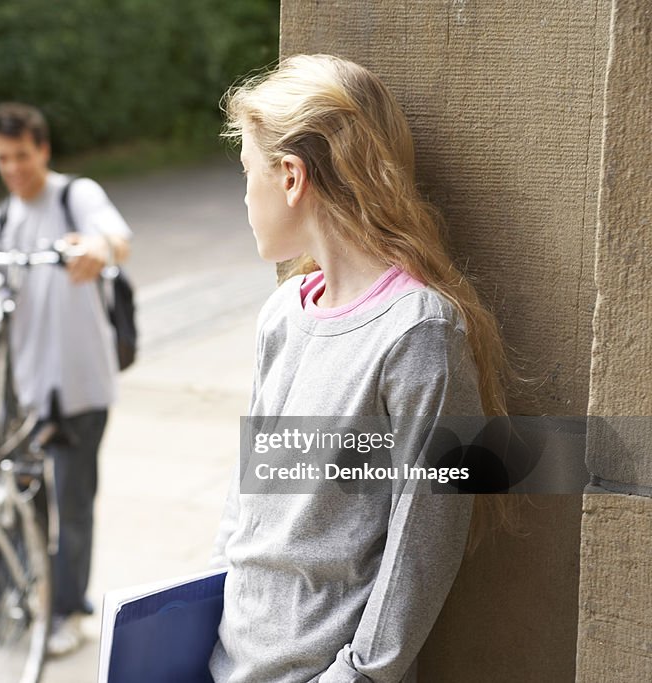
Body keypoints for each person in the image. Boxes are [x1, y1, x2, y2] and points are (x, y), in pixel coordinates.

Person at [209, 54, 511, 682]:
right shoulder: (282, 315)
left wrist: (358, 677)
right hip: (228, 666)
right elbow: (250, 503)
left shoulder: (418, 331)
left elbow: (424, 541)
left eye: (247, 174)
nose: (244, 197)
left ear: (290, 176)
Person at [0, 102, 132, 656]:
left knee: (72, 506)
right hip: (24, 394)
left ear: (42, 148)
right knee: (17, 505)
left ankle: (67, 611)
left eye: (21, 155)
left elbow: (115, 235)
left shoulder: (74, 197)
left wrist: (96, 249)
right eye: (2, 158)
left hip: (80, 389)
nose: (13, 168)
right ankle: (11, 610)